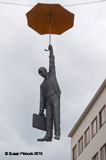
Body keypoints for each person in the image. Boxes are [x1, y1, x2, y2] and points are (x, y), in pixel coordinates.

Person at [37, 44, 61, 142]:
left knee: (56, 115)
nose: (41, 74)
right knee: (48, 119)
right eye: (40, 74)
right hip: (47, 101)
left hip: (55, 96)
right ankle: (48, 135)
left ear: (45, 71)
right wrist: (41, 110)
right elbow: (41, 99)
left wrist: (51, 51)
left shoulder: (51, 74)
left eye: (41, 72)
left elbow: (52, 62)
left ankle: (57, 134)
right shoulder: (42, 85)